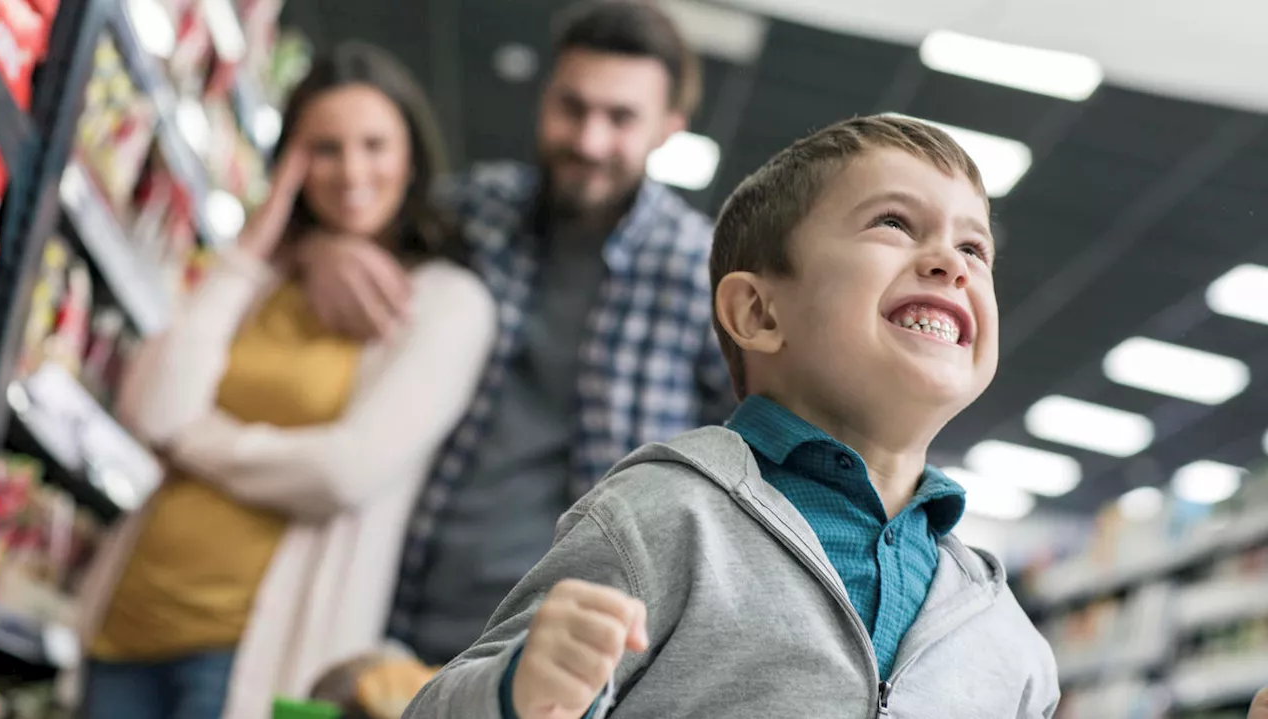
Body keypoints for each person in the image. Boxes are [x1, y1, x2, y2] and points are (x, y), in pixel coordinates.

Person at [405, 115, 1058, 718]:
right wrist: (517, 691)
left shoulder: (1011, 646)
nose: (951, 262)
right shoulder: (661, 520)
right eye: (893, 223)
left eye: (975, 249)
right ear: (759, 314)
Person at [293, 0, 733, 666]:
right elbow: (355, 217)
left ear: (668, 128)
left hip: (548, 646)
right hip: (382, 599)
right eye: (572, 106)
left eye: (620, 118)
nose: (588, 140)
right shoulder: (474, 210)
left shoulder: (703, 276)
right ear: (545, 95)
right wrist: (320, 247)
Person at [73, 42, 495, 719]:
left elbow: (342, 473)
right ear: (292, 162)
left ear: (411, 156)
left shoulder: (448, 302)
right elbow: (147, 408)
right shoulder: (263, 280)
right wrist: (250, 249)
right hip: (127, 622)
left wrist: (192, 439)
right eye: (324, 148)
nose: (351, 169)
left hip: (251, 655)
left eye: (374, 145)